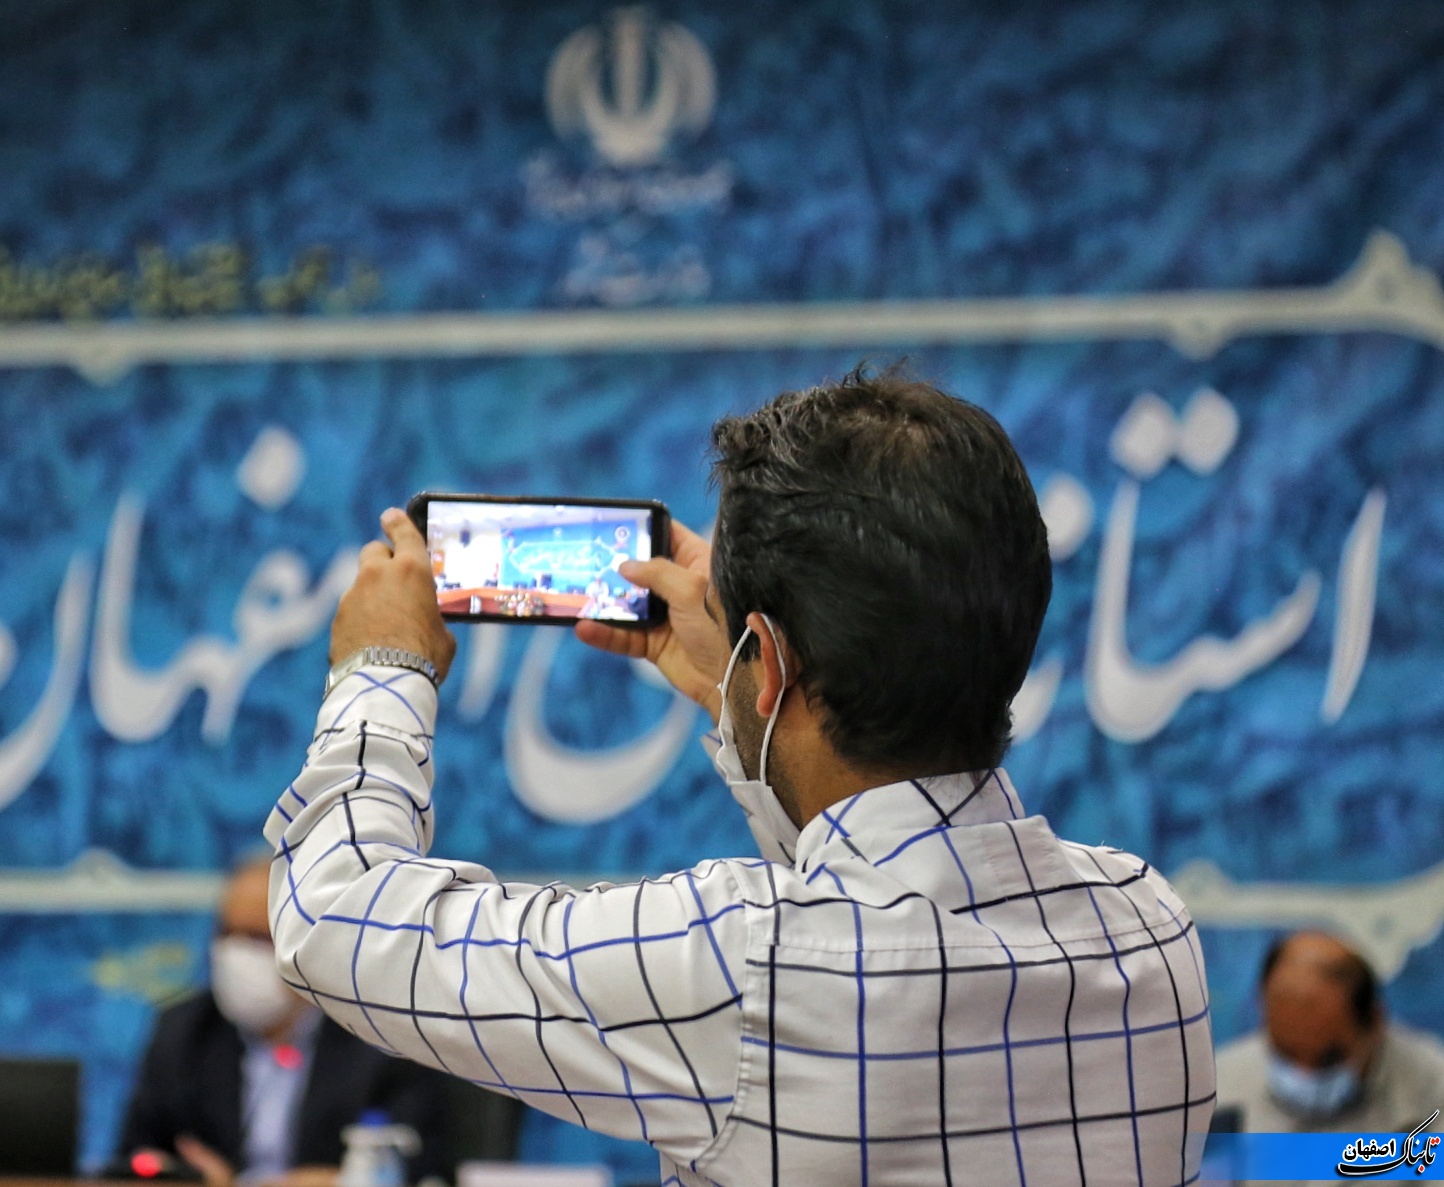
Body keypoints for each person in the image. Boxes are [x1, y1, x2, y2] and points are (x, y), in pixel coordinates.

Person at [266, 366, 1215, 1186]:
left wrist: (381, 667)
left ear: (770, 652)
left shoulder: (742, 962)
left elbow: (334, 915)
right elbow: (868, 896)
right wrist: (744, 696)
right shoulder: (1148, 929)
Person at [117, 857, 453, 1186]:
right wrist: (184, 1177)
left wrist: (341, 1181)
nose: (236, 955)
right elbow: (134, 1159)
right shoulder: (183, 1032)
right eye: (227, 934)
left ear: (311, 946)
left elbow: (422, 1164)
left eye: (258, 938)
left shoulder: (383, 1037)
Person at [1215, 931, 1444, 1135]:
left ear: (1374, 1023)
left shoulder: (1434, 1093)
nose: (1303, 1076)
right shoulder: (1219, 1091)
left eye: (1328, 1059)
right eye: (1286, 1054)